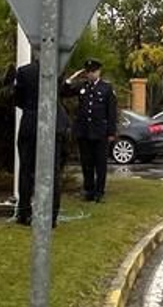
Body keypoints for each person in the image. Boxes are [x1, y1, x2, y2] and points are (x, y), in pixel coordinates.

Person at [8, 61, 71, 227]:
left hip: (31, 123)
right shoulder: (57, 69)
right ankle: (51, 217)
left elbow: (17, 99)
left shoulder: (24, 71)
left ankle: (24, 213)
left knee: (26, 170)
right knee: (53, 172)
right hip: (53, 124)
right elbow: (62, 93)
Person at [66, 60, 117, 203]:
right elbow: (64, 92)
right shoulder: (83, 86)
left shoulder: (106, 88)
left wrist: (111, 133)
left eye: (93, 71)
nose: (91, 74)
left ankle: (99, 192)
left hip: (100, 132)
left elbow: (111, 112)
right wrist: (71, 79)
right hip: (84, 131)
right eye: (88, 72)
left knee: (100, 164)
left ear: (98, 72)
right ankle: (88, 190)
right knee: (86, 162)